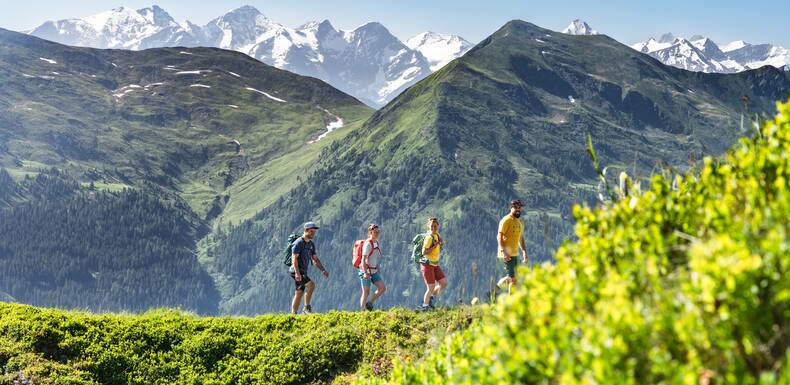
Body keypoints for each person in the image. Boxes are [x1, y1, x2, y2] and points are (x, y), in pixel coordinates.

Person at [289, 221, 329, 314]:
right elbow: (294, 259)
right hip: (296, 270)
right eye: (311, 231)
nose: (313, 234)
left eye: (314, 232)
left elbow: (315, 259)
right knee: (311, 285)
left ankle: (293, 314)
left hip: (302, 271)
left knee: (299, 292)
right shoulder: (298, 243)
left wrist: (323, 270)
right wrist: (297, 273)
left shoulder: (311, 244)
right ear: (306, 230)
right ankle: (306, 308)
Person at [497, 200, 529, 294]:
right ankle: (511, 304)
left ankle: (494, 291)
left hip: (515, 254)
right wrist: (504, 252)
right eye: (515, 207)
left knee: (512, 277)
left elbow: (521, 238)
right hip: (506, 254)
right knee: (514, 280)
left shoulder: (519, 222)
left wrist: (524, 251)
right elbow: (499, 236)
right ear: (511, 208)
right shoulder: (506, 220)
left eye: (519, 208)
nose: (518, 210)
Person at [420, 217, 448, 311]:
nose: (433, 228)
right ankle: (425, 306)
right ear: (428, 226)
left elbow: (441, 243)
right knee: (431, 287)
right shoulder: (428, 238)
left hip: (435, 264)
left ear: (438, 226)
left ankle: (430, 297)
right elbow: (424, 252)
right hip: (427, 264)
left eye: (435, 226)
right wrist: (434, 247)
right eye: (432, 226)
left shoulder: (437, 235)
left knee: (443, 283)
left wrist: (440, 242)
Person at [359, 223, 386, 311]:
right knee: (366, 291)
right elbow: (363, 259)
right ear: (370, 232)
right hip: (365, 271)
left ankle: (370, 303)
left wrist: (377, 265)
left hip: (374, 271)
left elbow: (374, 256)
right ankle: (362, 311)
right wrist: (366, 273)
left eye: (378, 232)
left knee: (382, 288)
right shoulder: (368, 244)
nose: (377, 233)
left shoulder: (376, 243)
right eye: (375, 232)